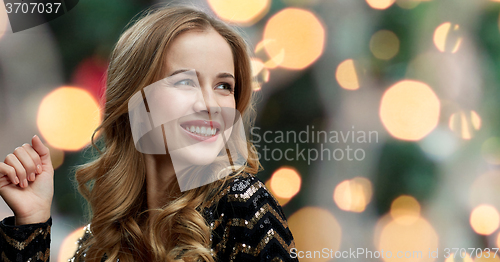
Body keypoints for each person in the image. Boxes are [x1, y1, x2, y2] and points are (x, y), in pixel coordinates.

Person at [0, 4, 298, 262]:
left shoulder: (242, 203)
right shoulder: (102, 236)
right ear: (137, 101)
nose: (210, 105)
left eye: (224, 86)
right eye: (185, 82)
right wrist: (31, 222)